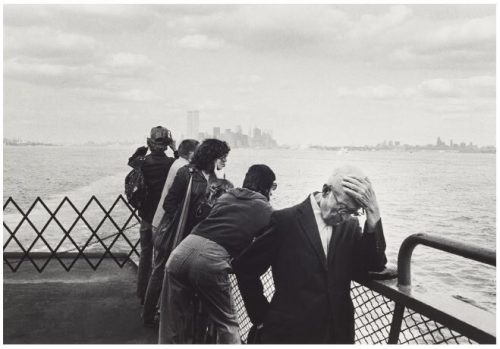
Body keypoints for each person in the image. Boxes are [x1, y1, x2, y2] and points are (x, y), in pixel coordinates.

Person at [232, 165, 387, 344]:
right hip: (291, 334)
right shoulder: (285, 221)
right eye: (342, 207)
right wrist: (260, 317)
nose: (344, 216)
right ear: (326, 190)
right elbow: (245, 268)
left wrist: (373, 214)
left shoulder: (351, 227)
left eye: (352, 212)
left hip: (337, 334)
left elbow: (372, 265)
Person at [163, 164, 277, 344]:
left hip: (181, 252)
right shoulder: (266, 210)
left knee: (173, 321)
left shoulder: (226, 197)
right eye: (273, 188)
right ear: (267, 187)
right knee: (227, 323)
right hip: (210, 259)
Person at [157, 139, 231, 340]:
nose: (225, 161)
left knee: (199, 304)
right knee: (181, 301)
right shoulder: (186, 174)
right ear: (211, 157)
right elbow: (169, 204)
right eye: (222, 157)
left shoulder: (219, 179)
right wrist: (186, 218)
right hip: (184, 240)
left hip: (205, 243)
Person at [141, 139, 199, 325]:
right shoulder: (184, 170)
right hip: (167, 226)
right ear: (191, 155)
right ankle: (149, 314)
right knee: (160, 270)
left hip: (159, 222)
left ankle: (151, 310)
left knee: (159, 268)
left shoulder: (176, 163)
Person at [128, 126, 177, 305]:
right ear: (166, 144)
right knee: (161, 260)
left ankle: (142, 293)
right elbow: (186, 165)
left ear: (150, 142)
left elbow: (131, 161)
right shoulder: (171, 164)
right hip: (163, 218)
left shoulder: (143, 162)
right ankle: (155, 301)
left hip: (145, 216)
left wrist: (144, 148)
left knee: (145, 255)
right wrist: (175, 148)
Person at [151, 139, 199, 233]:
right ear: (191, 154)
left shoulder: (178, 163)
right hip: (167, 224)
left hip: (161, 221)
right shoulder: (184, 169)